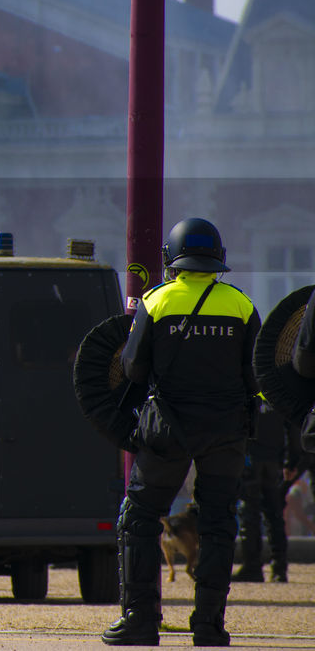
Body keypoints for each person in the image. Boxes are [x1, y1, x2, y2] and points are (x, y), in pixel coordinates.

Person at [103, 217, 260, 647]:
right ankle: (209, 625)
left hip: (168, 428)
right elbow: (255, 376)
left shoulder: (156, 302)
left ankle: (140, 620)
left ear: (172, 259)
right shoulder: (241, 306)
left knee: (139, 518)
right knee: (218, 523)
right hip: (226, 430)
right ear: (218, 259)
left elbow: (133, 367)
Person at [233, 395, 298, 583]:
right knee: (274, 515)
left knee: (249, 513)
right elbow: (292, 426)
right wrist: (291, 460)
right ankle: (279, 568)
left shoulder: (248, 388)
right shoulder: (276, 388)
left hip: (251, 456)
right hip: (274, 460)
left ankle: (252, 566)